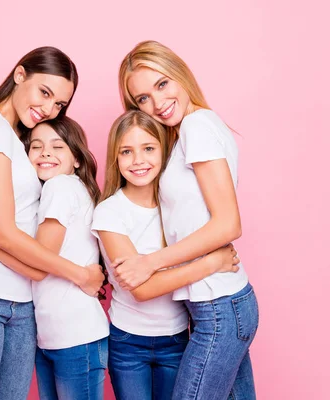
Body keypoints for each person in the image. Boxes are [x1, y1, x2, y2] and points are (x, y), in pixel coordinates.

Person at [0, 47, 104, 400]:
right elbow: (4, 232)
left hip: (22, 300)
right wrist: (79, 274)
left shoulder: (20, 137)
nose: (48, 108)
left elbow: (15, 237)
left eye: (59, 104)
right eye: (45, 92)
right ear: (19, 75)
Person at [113, 40, 260, 399]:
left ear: (180, 74)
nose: (157, 103)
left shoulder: (198, 127)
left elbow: (229, 224)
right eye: (142, 99)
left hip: (220, 309)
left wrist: (149, 263)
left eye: (162, 84)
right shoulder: (185, 134)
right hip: (215, 306)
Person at [92, 109, 240, 400]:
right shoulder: (109, 213)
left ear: (164, 150)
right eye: (126, 152)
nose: (138, 161)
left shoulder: (174, 207)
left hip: (178, 337)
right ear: (115, 158)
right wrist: (213, 262)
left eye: (148, 148)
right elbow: (142, 289)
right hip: (128, 343)